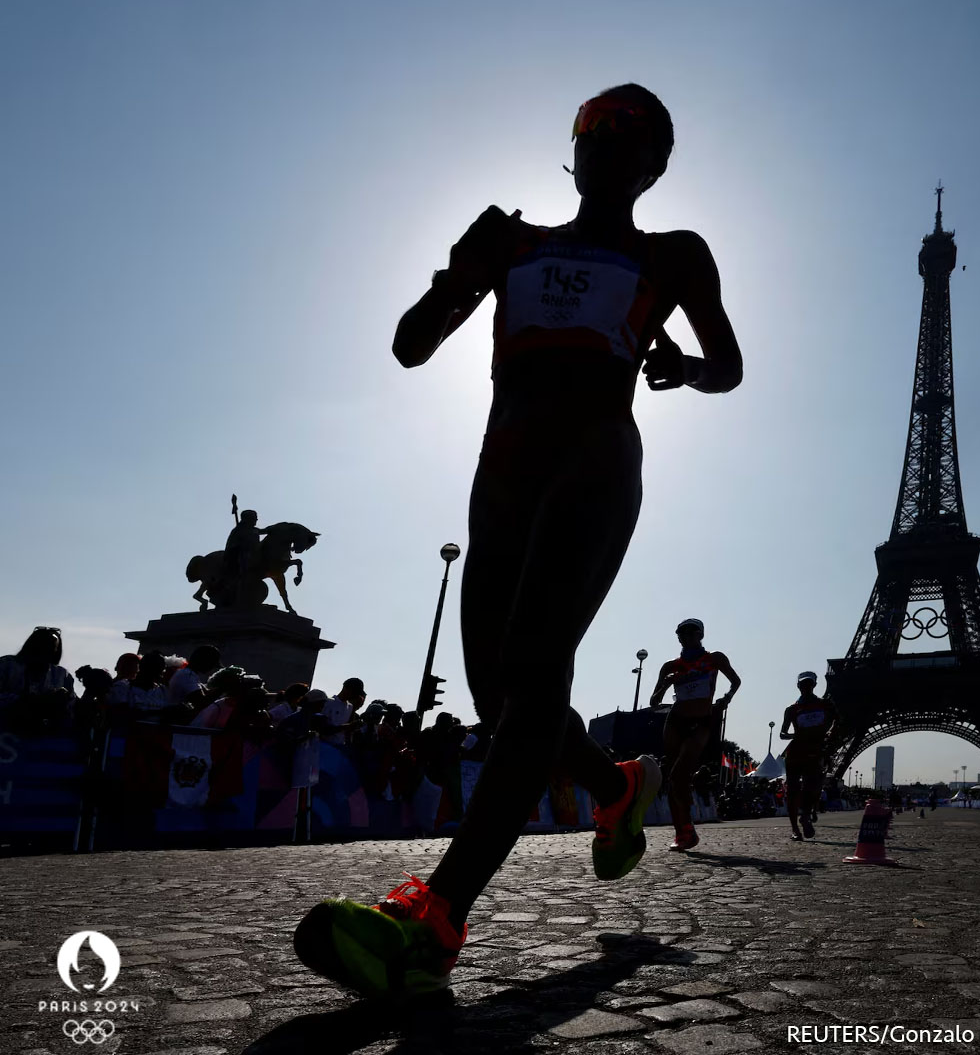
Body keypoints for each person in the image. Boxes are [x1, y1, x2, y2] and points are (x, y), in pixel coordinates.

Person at [293, 83, 743, 998]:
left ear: (655, 164)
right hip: (501, 476)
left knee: (537, 673)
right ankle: (618, 788)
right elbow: (410, 346)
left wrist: (682, 367)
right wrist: (456, 274)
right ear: (570, 146)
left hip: (595, 462)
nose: (603, 142)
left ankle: (436, 915)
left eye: (626, 133)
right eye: (589, 127)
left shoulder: (675, 254)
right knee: (502, 707)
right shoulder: (512, 238)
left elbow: (728, 364)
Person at [649, 618, 741, 851]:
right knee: (672, 777)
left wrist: (726, 698)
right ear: (678, 637)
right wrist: (667, 685)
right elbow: (654, 701)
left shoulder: (714, 658)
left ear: (701, 635)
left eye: (692, 633)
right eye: (683, 633)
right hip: (676, 720)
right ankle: (682, 833)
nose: (688, 637)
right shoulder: (671, 666)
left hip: (701, 721)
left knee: (680, 775)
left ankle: (687, 828)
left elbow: (735, 681)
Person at [778, 671, 837, 841]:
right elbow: (783, 733)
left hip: (814, 751)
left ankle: (805, 814)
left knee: (814, 787)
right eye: (803, 685)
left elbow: (837, 720)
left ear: (814, 685)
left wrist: (829, 733)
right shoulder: (792, 709)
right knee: (793, 790)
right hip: (796, 752)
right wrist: (795, 736)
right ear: (798, 686)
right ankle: (795, 829)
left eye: (809, 684)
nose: (806, 687)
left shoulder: (825, 705)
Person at [0, 627, 76, 726]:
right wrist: (28, 701)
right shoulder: (6, 665)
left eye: (51, 648)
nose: (45, 653)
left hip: (47, 736)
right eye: (41, 647)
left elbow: (73, 707)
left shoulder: (61, 675)